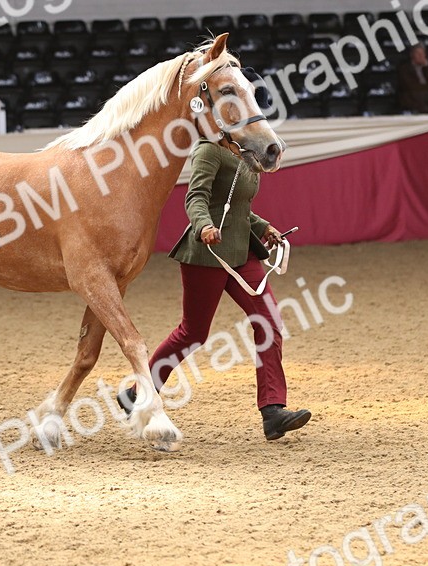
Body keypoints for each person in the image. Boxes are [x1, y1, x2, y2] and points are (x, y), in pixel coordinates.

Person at [119, 128, 312, 442]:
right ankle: (138, 392)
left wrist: (264, 227)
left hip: (242, 253)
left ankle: (273, 410)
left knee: (269, 323)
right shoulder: (208, 150)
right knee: (193, 333)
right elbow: (196, 197)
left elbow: (237, 208)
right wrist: (204, 225)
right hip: (207, 254)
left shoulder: (247, 152)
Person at [397, 44, 428, 113]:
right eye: (418, 53)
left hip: (427, 93)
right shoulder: (404, 68)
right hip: (412, 93)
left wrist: (426, 67)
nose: (421, 56)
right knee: (418, 95)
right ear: (412, 55)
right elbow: (411, 86)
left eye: (422, 53)